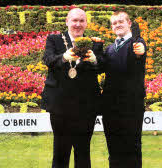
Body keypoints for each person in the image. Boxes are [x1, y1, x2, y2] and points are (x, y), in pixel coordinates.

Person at [41, 8, 103, 168]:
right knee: (61, 152)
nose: (77, 24)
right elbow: (47, 60)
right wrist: (63, 57)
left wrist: (96, 61)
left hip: (86, 107)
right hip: (60, 106)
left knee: (83, 152)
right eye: (74, 20)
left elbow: (104, 66)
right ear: (67, 21)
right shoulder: (54, 39)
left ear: (86, 23)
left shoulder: (94, 43)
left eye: (81, 21)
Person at [98, 11, 147, 168]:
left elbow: (139, 50)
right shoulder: (110, 49)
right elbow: (99, 67)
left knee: (131, 146)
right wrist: (95, 52)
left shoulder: (136, 42)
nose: (117, 25)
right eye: (114, 23)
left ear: (129, 23)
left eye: (121, 21)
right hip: (110, 106)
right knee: (113, 146)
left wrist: (141, 49)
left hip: (131, 105)